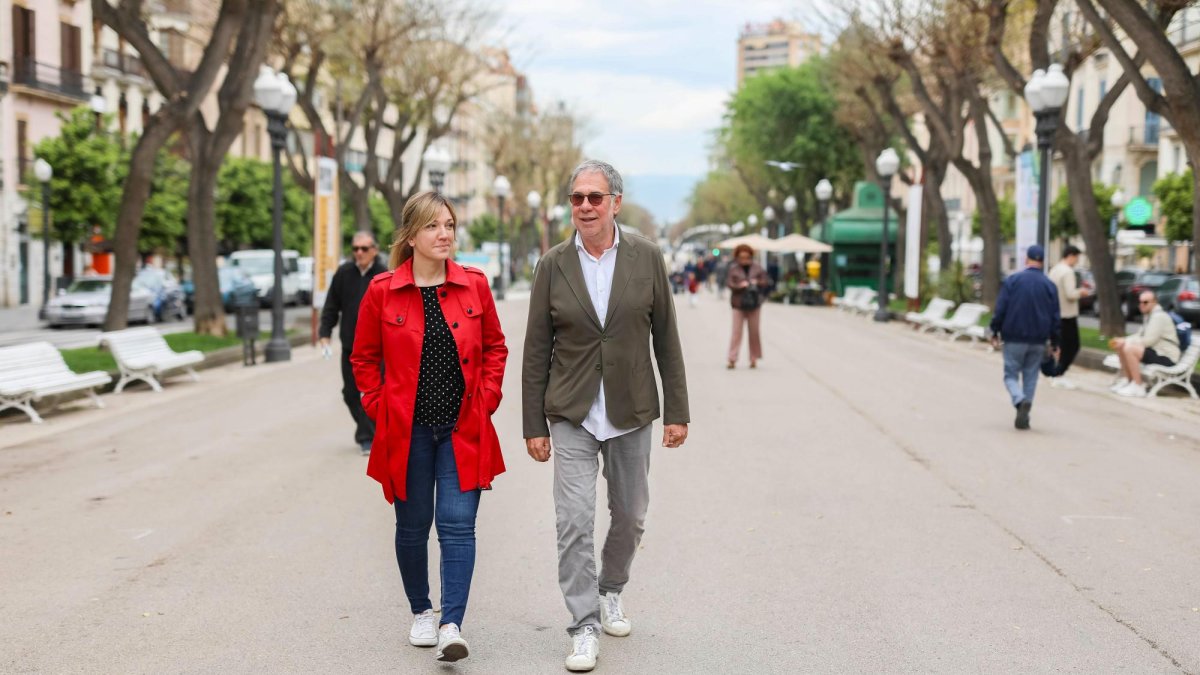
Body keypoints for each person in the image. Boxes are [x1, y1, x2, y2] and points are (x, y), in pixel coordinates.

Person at [522, 159, 689, 673]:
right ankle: (583, 624)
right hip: (571, 410)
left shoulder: (647, 257)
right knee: (572, 520)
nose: (586, 206)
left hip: (630, 408)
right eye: (577, 198)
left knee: (632, 514)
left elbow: (666, 337)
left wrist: (677, 410)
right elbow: (535, 349)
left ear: (615, 201)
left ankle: (611, 588)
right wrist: (533, 424)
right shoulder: (552, 264)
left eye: (595, 197)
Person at [352, 191, 508, 663]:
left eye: (450, 225)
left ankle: (451, 623)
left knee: (459, 527)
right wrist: (380, 406)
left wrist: (486, 398)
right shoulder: (382, 290)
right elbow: (364, 358)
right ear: (411, 235)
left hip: (462, 428)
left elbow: (496, 347)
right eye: (433, 226)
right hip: (408, 431)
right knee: (413, 526)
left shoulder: (474, 285)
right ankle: (421, 609)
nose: (445, 234)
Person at [319, 231, 388, 454]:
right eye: (355, 249)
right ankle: (372, 431)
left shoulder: (385, 273)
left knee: (374, 392)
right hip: (350, 346)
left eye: (364, 249)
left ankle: (368, 436)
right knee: (350, 394)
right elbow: (331, 305)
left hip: (380, 348)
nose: (359, 253)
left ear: (374, 250)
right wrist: (325, 332)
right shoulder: (344, 273)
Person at [988, 244, 1060, 430]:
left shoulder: (1013, 281)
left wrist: (994, 330)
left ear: (1026, 259)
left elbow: (1001, 308)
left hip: (1014, 336)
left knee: (1010, 374)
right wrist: (1055, 341)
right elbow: (1055, 316)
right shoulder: (1049, 286)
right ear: (1042, 262)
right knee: (1031, 376)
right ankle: (1025, 413)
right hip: (1039, 339)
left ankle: (1019, 401)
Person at [1111, 290, 1180, 398]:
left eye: (1145, 302)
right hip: (1156, 352)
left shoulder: (1158, 316)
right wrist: (1123, 340)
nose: (1142, 305)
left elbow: (1148, 341)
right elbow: (1139, 336)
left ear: (1154, 302)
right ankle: (1129, 381)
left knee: (1129, 349)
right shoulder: (1149, 316)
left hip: (1166, 356)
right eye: (1140, 302)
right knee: (1122, 346)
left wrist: (1126, 341)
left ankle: (1138, 386)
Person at [1046, 245, 1089, 389]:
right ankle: (1059, 373)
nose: (1077, 261)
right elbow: (1071, 294)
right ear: (1071, 256)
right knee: (1073, 346)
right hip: (1067, 314)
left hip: (1055, 313)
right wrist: (1081, 292)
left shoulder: (1054, 270)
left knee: (1060, 345)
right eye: (1077, 258)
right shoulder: (1068, 272)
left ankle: (1056, 373)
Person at [726, 243, 771, 369]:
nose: (744, 259)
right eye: (741, 257)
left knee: (754, 332)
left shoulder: (757, 268)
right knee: (736, 332)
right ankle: (732, 358)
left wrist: (756, 282)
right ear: (737, 257)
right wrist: (740, 285)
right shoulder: (733, 269)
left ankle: (753, 358)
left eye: (747, 257)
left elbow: (766, 281)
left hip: (754, 303)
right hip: (738, 304)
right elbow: (729, 283)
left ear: (751, 256)